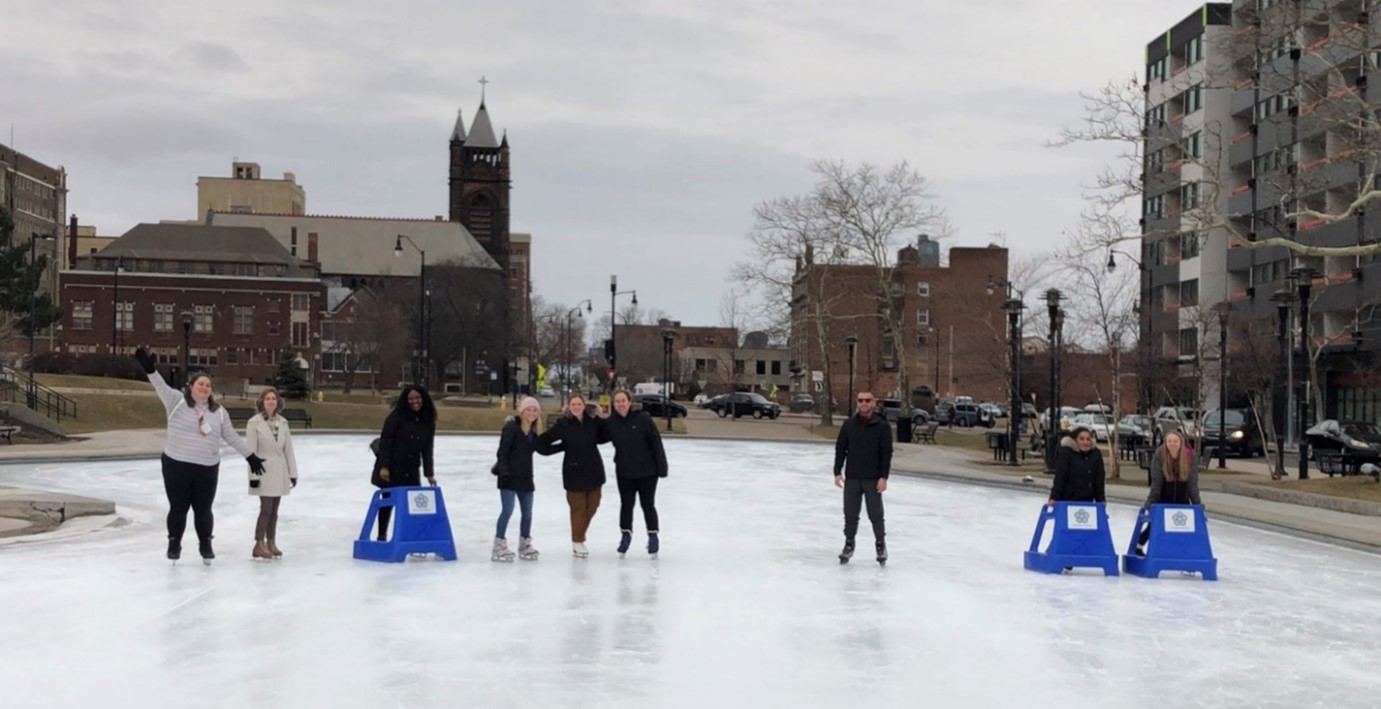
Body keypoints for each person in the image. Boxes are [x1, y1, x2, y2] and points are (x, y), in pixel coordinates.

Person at [134, 347, 264, 564]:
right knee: (179, 508)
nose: (204, 387)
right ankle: (174, 542)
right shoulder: (175, 400)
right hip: (177, 465)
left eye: (208, 385)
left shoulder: (219, 412)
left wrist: (250, 456)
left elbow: (231, 437)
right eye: (200, 384)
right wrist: (150, 369)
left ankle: (206, 543)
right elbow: (159, 385)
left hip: (207, 468)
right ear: (191, 387)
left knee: (203, 509)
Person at [537, 392, 609, 558]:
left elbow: (607, 434)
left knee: (592, 507)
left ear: (584, 406)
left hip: (594, 472)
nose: (576, 407)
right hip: (574, 473)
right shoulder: (563, 425)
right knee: (578, 509)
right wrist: (561, 447)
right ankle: (577, 540)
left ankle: (579, 536)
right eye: (573, 404)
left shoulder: (593, 423)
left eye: (579, 404)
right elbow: (541, 444)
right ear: (569, 407)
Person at [370, 385, 438, 541]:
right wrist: (384, 467)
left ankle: (413, 537)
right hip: (393, 467)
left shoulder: (428, 420)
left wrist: (429, 473)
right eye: (411, 399)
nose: (415, 401)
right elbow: (386, 441)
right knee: (388, 502)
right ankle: (382, 535)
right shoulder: (396, 416)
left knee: (414, 504)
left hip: (412, 468)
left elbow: (427, 448)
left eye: (418, 398)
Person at [606, 389, 669, 557]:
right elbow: (594, 435)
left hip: (647, 472)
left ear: (629, 401)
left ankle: (653, 535)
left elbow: (656, 443)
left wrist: (662, 468)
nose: (620, 404)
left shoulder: (643, 419)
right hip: (624, 472)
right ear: (614, 403)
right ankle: (626, 535)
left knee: (647, 504)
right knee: (626, 505)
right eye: (617, 401)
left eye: (623, 401)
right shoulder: (611, 423)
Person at [833, 390, 892, 564]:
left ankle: (880, 544)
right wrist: (837, 471)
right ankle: (849, 544)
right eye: (860, 400)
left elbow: (886, 453)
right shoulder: (849, 425)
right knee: (850, 514)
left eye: (867, 400)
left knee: (875, 514)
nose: (863, 403)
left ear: (873, 403)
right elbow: (840, 448)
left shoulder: (882, 426)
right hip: (852, 478)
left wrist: (883, 477)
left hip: (873, 478)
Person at [246, 386, 299, 560]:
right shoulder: (254, 423)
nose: (271, 401)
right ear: (262, 402)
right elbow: (251, 452)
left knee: (274, 510)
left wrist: (293, 472)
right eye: (267, 398)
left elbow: (288, 450)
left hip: (280, 470)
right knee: (266, 508)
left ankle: (271, 541)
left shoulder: (283, 423)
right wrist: (253, 477)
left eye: (273, 399)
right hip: (263, 471)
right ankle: (258, 543)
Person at [492, 396, 547, 561]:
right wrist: (504, 473)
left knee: (527, 514)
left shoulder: (532, 432)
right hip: (508, 477)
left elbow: (543, 449)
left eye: (535, 410)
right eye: (528, 409)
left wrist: (564, 445)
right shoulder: (511, 427)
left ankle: (524, 544)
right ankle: (499, 545)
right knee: (507, 511)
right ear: (522, 411)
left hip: (525, 478)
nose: (531, 413)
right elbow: (502, 452)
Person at [1135, 430, 1201, 555]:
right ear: (1165, 443)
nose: (1172, 444)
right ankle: (1138, 546)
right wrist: (1150, 502)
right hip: (1163, 498)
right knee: (1155, 525)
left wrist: (1197, 505)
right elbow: (1156, 484)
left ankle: (1186, 553)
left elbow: (1192, 484)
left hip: (1182, 498)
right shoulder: (1159, 455)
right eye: (1169, 441)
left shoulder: (1189, 456)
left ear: (1181, 443)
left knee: (1185, 527)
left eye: (1175, 441)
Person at [1046, 426, 1107, 505]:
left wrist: (1101, 499)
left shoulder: (1095, 455)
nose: (1085, 442)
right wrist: (1054, 497)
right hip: (1067, 500)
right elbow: (1061, 476)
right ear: (1075, 440)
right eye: (1081, 439)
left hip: (1088, 501)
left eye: (1088, 439)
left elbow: (1099, 478)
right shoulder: (1066, 453)